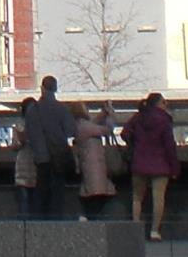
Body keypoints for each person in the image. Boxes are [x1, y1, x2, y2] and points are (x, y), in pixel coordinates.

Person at [121, 91, 180, 239]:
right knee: (158, 198)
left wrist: (135, 143)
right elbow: (169, 146)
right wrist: (174, 167)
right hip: (160, 165)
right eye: (164, 102)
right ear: (159, 104)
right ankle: (154, 231)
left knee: (136, 198)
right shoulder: (164, 120)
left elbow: (124, 133)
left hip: (139, 162)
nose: (166, 105)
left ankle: (135, 227)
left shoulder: (138, 117)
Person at [24, 75, 75, 218]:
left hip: (41, 157)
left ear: (42, 89)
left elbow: (29, 134)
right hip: (58, 156)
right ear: (56, 89)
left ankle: (38, 225)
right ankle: (56, 224)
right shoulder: (62, 109)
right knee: (57, 193)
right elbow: (71, 131)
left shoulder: (33, 110)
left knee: (40, 192)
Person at [72, 104, 114, 219]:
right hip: (94, 166)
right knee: (97, 195)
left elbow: (93, 123)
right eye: (86, 108)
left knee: (93, 193)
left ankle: (88, 217)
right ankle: (90, 218)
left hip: (90, 164)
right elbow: (105, 130)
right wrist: (110, 117)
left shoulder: (80, 125)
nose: (88, 110)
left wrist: (104, 113)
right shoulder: (84, 126)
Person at [11, 102, 39, 218]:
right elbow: (15, 146)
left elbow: (14, 146)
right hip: (29, 167)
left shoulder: (21, 126)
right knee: (28, 205)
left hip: (30, 168)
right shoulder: (21, 126)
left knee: (29, 204)